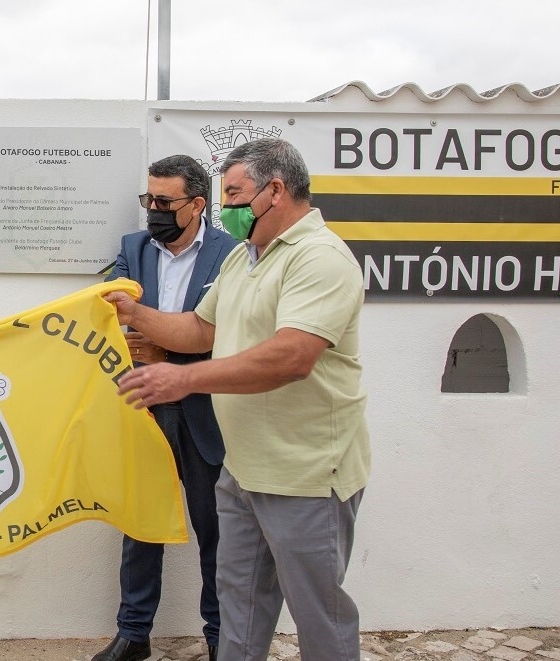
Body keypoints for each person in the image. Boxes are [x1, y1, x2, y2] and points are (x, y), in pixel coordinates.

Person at [106, 138, 370, 661]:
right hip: (242, 470)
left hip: (305, 474)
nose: (226, 208)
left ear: (275, 191)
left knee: (319, 614)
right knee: (239, 610)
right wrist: (134, 314)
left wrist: (184, 381)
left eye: (233, 194)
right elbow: (199, 329)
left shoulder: (319, 258)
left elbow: (292, 356)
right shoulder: (246, 258)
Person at [93, 155, 237, 661]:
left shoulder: (232, 255)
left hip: (204, 414)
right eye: (147, 199)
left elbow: (236, 335)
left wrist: (169, 355)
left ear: (197, 205)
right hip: (145, 410)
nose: (152, 210)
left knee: (216, 534)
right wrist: (148, 347)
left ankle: (222, 640)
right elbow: (113, 322)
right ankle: (133, 635)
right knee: (140, 525)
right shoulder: (133, 249)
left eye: (163, 201)